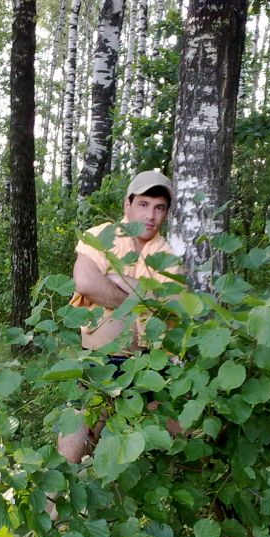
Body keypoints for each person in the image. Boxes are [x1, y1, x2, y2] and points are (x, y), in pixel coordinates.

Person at [58, 170, 181, 463]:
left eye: (159, 208)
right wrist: (144, 298)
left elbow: (173, 304)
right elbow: (86, 282)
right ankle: (60, 493)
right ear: (127, 204)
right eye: (143, 204)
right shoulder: (102, 236)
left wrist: (117, 279)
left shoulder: (165, 255)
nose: (151, 215)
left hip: (148, 366)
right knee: (74, 445)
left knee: (181, 437)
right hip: (99, 362)